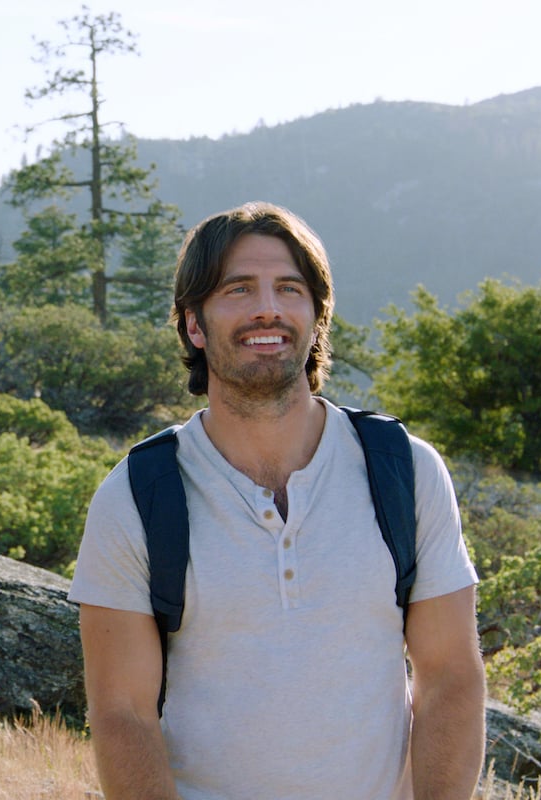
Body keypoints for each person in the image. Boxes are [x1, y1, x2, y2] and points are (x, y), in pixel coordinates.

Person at [68, 202, 486, 800]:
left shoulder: (405, 470)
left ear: (317, 316)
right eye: (239, 289)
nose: (268, 307)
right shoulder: (136, 496)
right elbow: (122, 714)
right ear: (193, 323)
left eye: (289, 288)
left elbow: (450, 679)